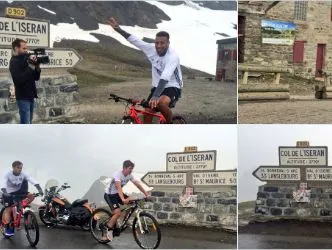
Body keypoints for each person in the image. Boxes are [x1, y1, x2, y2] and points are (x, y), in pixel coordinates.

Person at [107, 17, 183, 124]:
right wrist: (117, 29)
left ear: (168, 43)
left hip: (172, 86)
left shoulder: (173, 56)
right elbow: (134, 40)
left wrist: (156, 96)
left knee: (161, 104)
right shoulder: (150, 48)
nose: (159, 46)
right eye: (157, 43)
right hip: (157, 86)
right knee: (147, 111)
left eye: (162, 43)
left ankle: (170, 125)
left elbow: (165, 77)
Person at [103, 160, 150, 241]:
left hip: (117, 194)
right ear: (124, 168)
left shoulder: (129, 175)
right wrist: (123, 199)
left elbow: (137, 184)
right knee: (117, 213)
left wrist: (146, 194)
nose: (131, 170)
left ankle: (125, 221)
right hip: (110, 195)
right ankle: (108, 231)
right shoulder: (117, 174)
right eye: (130, 168)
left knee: (132, 203)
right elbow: (119, 187)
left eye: (132, 169)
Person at [1, 161, 43, 237]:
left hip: (19, 192)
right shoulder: (7, 174)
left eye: (21, 168)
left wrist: (39, 188)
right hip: (9, 193)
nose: (20, 169)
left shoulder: (23, 174)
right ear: (13, 167)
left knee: (31, 195)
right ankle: (8, 228)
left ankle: (21, 210)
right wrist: (4, 191)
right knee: (8, 209)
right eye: (18, 168)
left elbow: (31, 179)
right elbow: (3, 182)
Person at [9, 38, 41, 124]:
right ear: (16, 48)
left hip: (31, 95)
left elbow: (36, 78)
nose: (26, 50)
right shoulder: (14, 62)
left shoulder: (27, 59)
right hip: (23, 98)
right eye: (24, 48)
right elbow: (18, 80)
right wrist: (30, 66)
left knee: (29, 122)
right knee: (25, 123)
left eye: (26, 48)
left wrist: (37, 67)